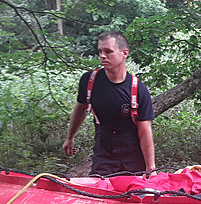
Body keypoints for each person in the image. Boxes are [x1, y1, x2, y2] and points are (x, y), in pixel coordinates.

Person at [63, 31, 156, 176]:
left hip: (133, 153)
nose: (102, 56)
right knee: (99, 192)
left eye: (108, 52)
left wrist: (150, 168)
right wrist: (70, 137)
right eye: (100, 51)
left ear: (124, 53)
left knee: (134, 194)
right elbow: (81, 108)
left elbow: (144, 131)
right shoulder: (89, 81)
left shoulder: (138, 89)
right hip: (103, 150)